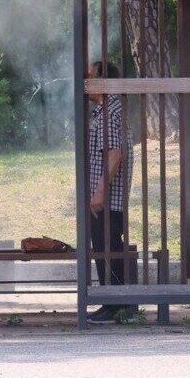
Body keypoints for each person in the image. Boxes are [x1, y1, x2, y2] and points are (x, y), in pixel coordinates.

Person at [85, 60, 136, 325]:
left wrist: (100, 192)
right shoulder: (110, 110)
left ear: (103, 82)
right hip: (107, 197)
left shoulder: (109, 113)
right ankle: (114, 302)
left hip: (106, 198)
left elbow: (114, 155)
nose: (86, 83)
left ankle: (113, 304)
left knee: (107, 246)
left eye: (91, 77)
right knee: (107, 245)